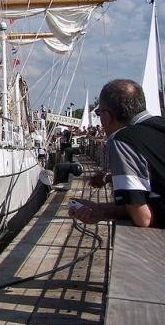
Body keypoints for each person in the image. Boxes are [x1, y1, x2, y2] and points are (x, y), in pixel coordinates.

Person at [69, 79, 165, 228]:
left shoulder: (122, 140)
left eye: (99, 113)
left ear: (107, 116)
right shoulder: (160, 125)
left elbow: (143, 218)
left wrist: (103, 212)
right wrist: (101, 209)